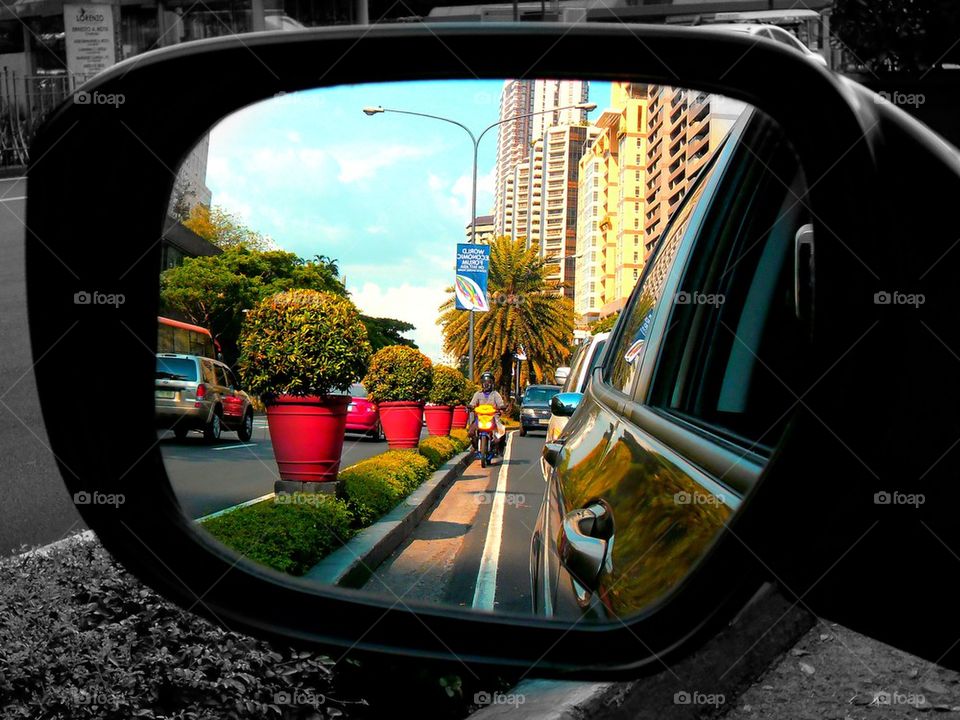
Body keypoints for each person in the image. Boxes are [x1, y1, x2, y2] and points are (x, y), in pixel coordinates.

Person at [468, 371, 509, 456]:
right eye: (484, 382)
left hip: (493, 417)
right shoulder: (477, 394)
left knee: (502, 431)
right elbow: (472, 404)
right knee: (471, 432)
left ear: (492, 383)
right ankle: (474, 446)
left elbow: (500, 404)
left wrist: (502, 407)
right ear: (482, 383)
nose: (486, 384)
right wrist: (470, 407)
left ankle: (500, 449)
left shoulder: (496, 394)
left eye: (489, 382)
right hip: (480, 417)